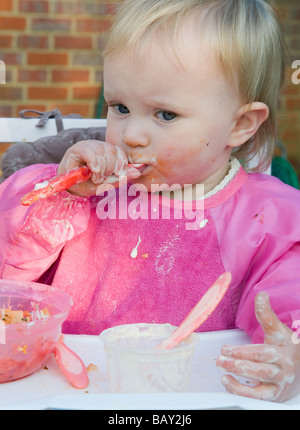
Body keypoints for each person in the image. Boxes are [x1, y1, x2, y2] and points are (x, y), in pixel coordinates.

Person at [0, 0, 299, 402]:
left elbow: (287, 302)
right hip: (76, 390)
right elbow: (10, 275)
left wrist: (288, 350)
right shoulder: (87, 194)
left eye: (165, 115)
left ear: (240, 124)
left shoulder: (271, 220)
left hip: (198, 396)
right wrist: (62, 191)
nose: (132, 135)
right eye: (120, 107)